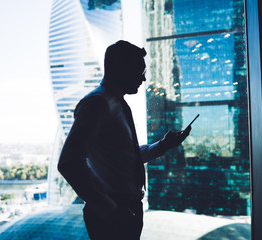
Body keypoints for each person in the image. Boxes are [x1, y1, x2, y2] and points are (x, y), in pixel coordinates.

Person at [57, 40, 191, 240]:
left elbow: (124, 157)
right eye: (140, 71)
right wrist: (110, 210)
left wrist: (163, 145)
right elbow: (69, 162)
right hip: (114, 214)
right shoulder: (98, 103)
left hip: (124, 210)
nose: (143, 79)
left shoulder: (113, 102)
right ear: (121, 67)